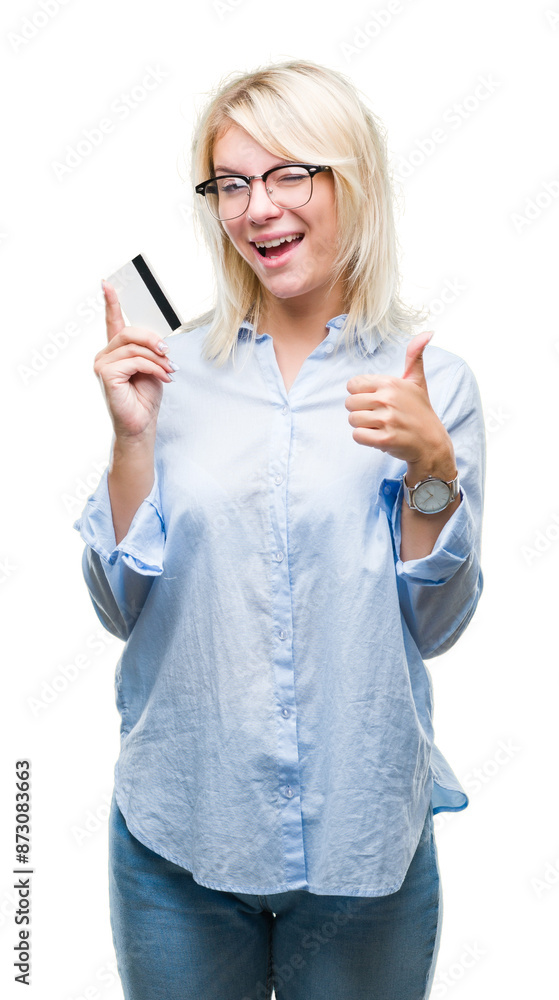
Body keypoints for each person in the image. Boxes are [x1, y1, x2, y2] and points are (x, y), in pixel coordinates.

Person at [73, 59, 485, 1000]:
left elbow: (435, 627)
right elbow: (117, 606)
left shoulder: (434, 381)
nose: (258, 207)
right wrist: (130, 445)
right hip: (181, 831)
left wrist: (430, 473)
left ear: (353, 181)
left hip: (362, 845)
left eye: (291, 172)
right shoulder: (164, 373)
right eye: (232, 181)